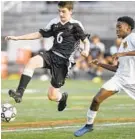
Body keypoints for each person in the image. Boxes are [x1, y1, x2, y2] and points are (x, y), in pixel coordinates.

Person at [5, 1, 90, 111]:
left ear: (70, 11)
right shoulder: (54, 23)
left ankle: (62, 98)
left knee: (52, 96)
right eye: (59, 11)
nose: (60, 14)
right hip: (51, 54)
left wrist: (86, 51)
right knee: (32, 62)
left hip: (63, 61)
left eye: (63, 11)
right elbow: (39, 34)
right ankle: (19, 93)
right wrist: (17, 38)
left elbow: (86, 41)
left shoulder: (76, 25)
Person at [74, 16, 135, 137]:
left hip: (132, 80)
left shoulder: (133, 37)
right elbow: (117, 68)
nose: (117, 30)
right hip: (119, 78)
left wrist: (122, 53)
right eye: (116, 28)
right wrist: (100, 64)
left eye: (119, 27)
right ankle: (89, 125)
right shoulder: (122, 43)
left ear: (128, 28)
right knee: (97, 99)